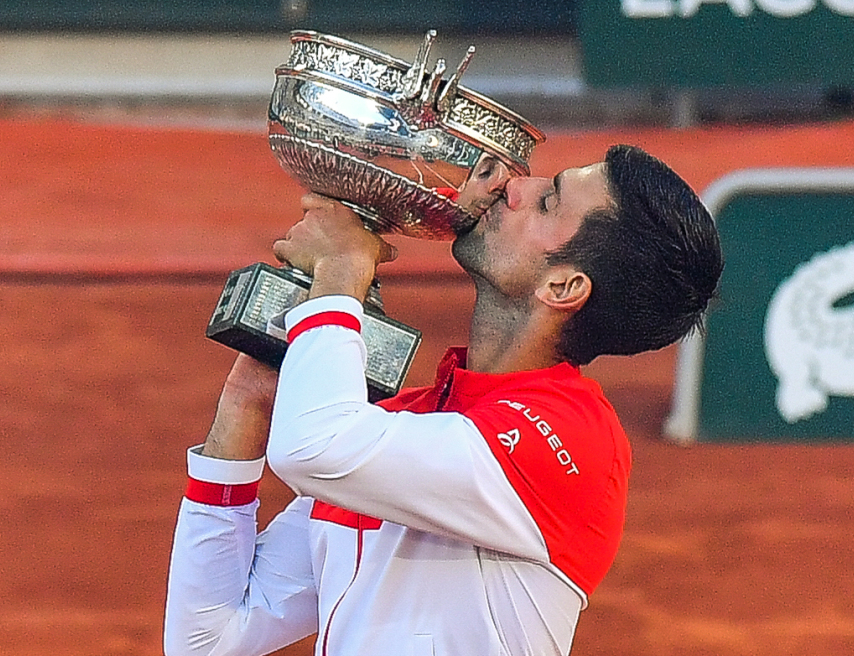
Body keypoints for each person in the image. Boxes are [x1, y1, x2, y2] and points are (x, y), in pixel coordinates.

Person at [164, 144, 723, 656]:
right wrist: (246, 405)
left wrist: (341, 270)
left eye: (547, 202)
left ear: (563, 288)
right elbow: (210, 639)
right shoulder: (409, 426)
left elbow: (314, 446)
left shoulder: (572, 440)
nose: (514, 185)